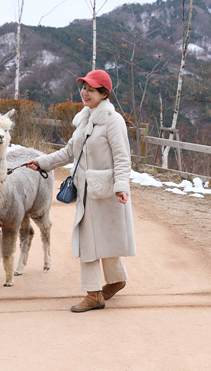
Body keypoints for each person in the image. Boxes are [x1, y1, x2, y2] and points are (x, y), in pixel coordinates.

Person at [26, 69, 137, 312]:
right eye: (83, 88)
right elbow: (69, 152)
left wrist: (120, 187)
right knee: (99, 240)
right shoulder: (84, 118)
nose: (84, 93)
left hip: (106, 193)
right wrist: (41, 162)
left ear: (104, 94)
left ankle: (94, 294)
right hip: (87, 191)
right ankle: (116, 280)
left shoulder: (113, 120)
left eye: (91, 89)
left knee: (90, 242)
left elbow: (122, 158)